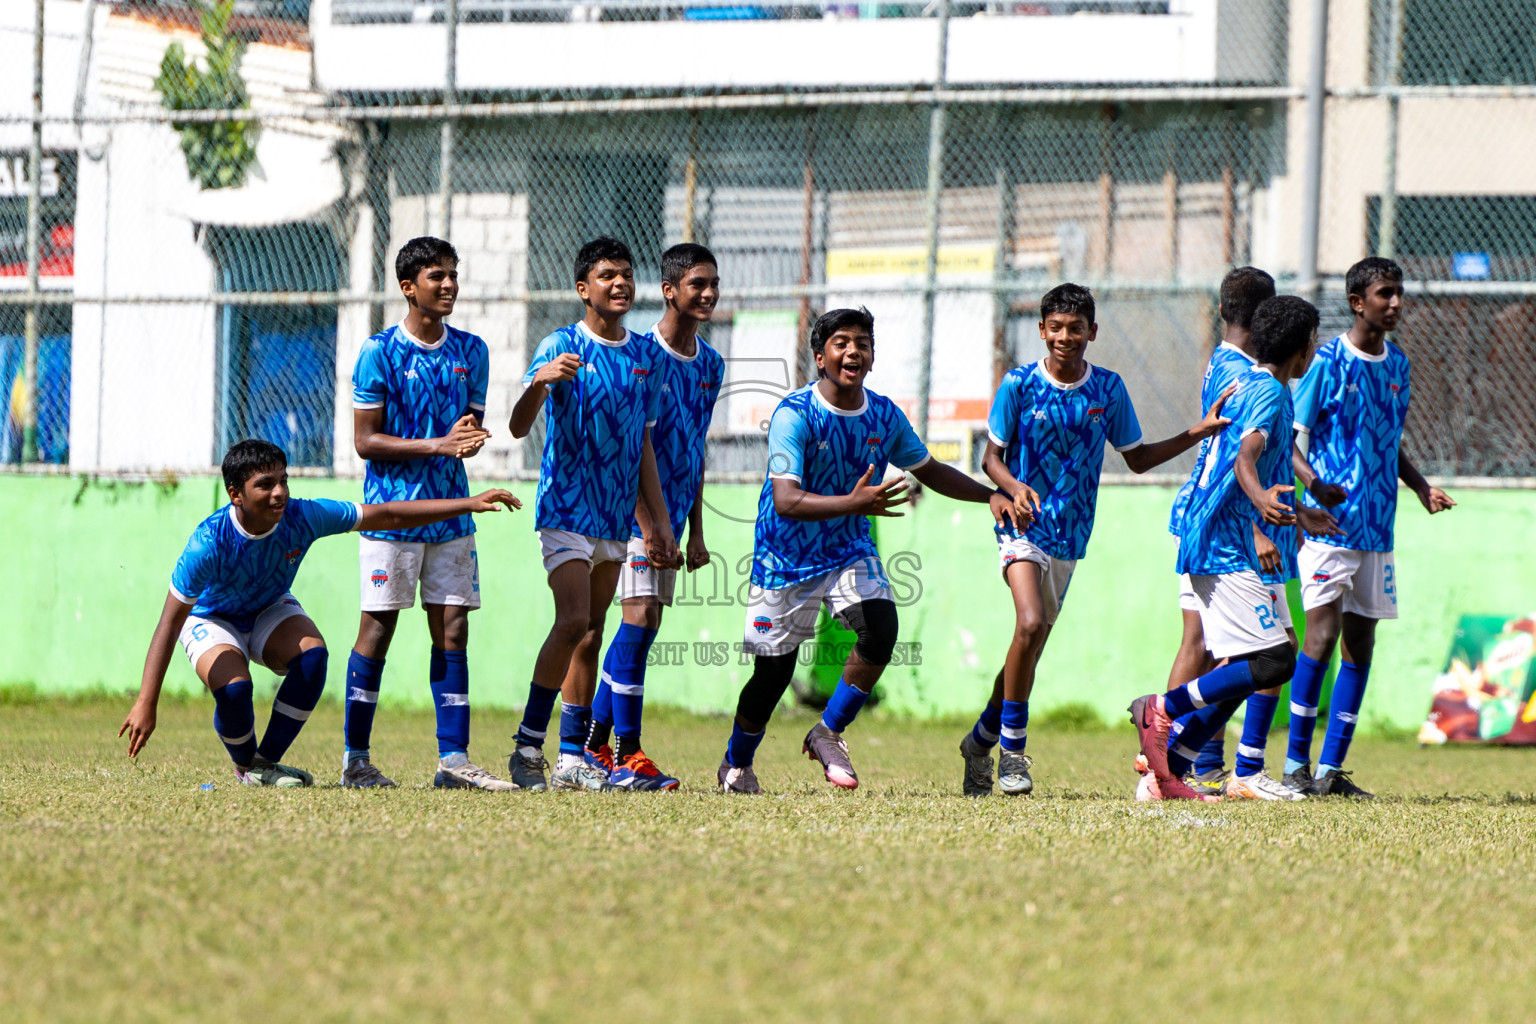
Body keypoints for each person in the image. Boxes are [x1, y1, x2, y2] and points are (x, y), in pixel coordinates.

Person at [717, 307, 1015, 795]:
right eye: (840, 342)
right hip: (784, 558)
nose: (853, 350)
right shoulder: (795, 414)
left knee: (880, 629)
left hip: (847, 550)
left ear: (872, 358)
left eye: (862, 342)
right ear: (820, 357)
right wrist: (856, 500)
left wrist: (992, 494)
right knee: (773, 674)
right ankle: (736, 762)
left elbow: (932, 469)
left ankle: (828, 731)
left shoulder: (883, 415)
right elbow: (787, 500)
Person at [955, 282, 1236, 798]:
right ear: (1041, 331)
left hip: (1069, 535)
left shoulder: (1107, 389)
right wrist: (1014, 487)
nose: (1065, 337)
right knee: (1030, 621)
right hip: (1021, 527)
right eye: (1056, 328)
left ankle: (980, 740)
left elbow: (1138, 456)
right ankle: (1013, 755)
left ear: (1092, 332)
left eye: (1076, 328)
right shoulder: (1018, 385)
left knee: (1029, 647)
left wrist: (1198, 432)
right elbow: (990, 458)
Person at [118, 440, 520, 784]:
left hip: (268, 607)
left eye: (283, 480)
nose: (279, 493)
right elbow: (170, 622)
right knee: (236, 690)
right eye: (265, 485)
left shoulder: (302, 516)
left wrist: (469, 503)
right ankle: (246, 765)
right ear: (235, 494)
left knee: (313, 657)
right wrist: (146, 702)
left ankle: (264, 764)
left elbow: (388, 515)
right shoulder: (208, 543)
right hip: (211, 618)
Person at [1129, 295, 1319, 801]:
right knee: (1273, 660)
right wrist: (1260, 503)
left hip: (1221, 532)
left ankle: (1169, 771)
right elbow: (1245, 457)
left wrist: (1291, 511)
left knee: (1258, 661)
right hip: (1223, 539)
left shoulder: (1258, 383)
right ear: (1305, 348)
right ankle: (1162, 710)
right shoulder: (1270, 394)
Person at [507, 236, 677, 793]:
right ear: (584, 289)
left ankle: (572, 757)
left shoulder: (645, 357)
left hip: (613, 518)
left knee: (592, 631)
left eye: (627, 274)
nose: (621, 283)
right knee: (575, 620)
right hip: (565, 509)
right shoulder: (561, 343)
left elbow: (644, 445)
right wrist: (540, 381)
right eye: (608, 275)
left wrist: (656, 523)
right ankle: (529, 745)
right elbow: (517, 426)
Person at [1283, 258, 1455, 797]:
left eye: (1400, 293)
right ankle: (1294, 766)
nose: (1396, 303)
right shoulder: (1327, 361)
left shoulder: (1399, 364)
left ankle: (1331, 770)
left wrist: (1421, 486)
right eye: (1386, 293)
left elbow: (1388, 441)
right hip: (1330, 527)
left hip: (1378, 528)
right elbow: (1287, 438)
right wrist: (1312, 487)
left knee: (1362, 644)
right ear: (1358, 302)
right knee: (1323, 634)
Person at [345, 236, 509, 791]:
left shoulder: (473, 351)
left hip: (452, 517)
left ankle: (454, 760)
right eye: (436, 276)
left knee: (454, 630)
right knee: (378, 628)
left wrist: (465, 441)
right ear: (407, 286)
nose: (449, 285)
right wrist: (436, 445)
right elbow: (365, 442)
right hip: (392, 513)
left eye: (453, 275)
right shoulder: (379, 352)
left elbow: (467, 432)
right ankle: (355, 759)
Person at [585, 243, 724, 790]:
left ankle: (595, 744)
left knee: (645, 626)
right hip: (632, 515)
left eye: (713, 284)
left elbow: (695, 446)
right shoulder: (640, 355)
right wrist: (649, 522)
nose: (708, 294)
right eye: (697, 285)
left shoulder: (710, 363)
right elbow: (629, 445)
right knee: (638, 621)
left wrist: (697, 530)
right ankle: (629, 753)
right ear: (670, 291)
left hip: (674, 518)